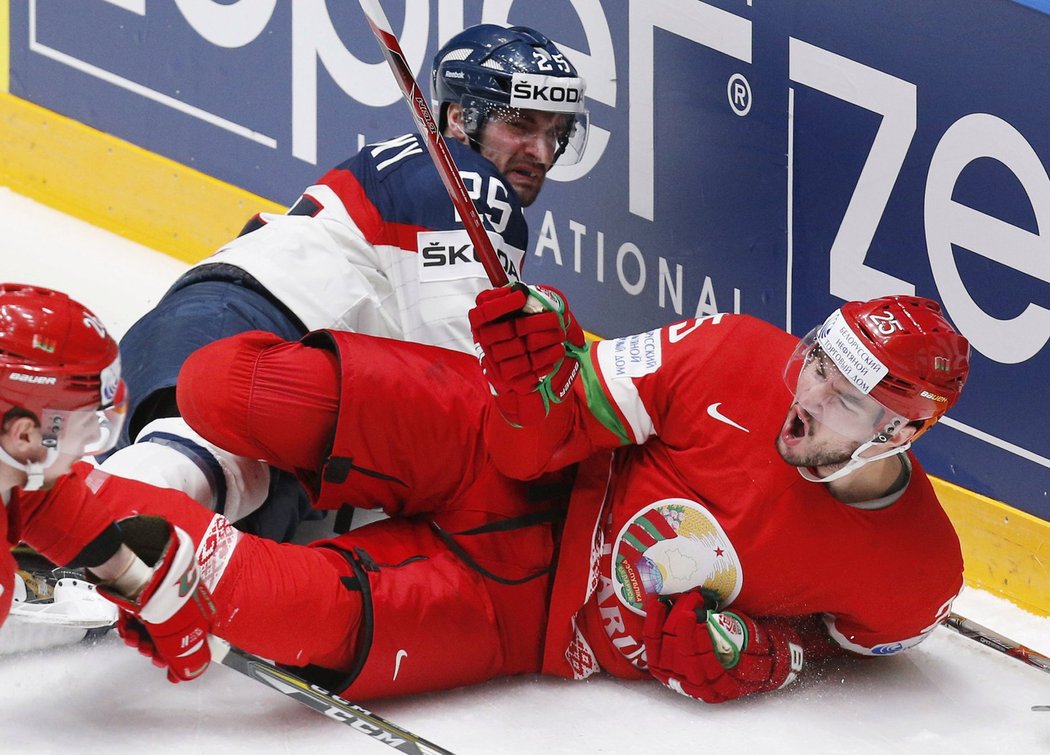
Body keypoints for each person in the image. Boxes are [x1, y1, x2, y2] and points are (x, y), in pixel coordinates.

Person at [31, 284, 968, 704]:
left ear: (899, 433)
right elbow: (542, 432)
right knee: (224, 388)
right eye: (817, 360)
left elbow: (839, 642)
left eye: (842, 395)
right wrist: (543, 372)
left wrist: (768, 658)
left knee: (280, 609)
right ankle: (221, 484)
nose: (804, 392)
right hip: (512, 455)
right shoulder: (738, 352)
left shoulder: (915, 571)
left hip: (519, 617)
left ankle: (48, 510)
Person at [100, 24, 590, 540]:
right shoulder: (465, 183)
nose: (540, 150)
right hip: (257, 340)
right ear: (459, 118)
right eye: (521, 124)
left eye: (555, 131)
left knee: (243, 530)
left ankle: (86, 535)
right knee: (208, 466)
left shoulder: (417, 169)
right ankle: (86, 528)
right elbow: (461, 391)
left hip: (202, 331)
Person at [0, 284, 216, 677]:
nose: (90, 441)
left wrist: (137, 581)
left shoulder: (16, 466)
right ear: (25, 435)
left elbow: (47, 503)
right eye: (84, 421)